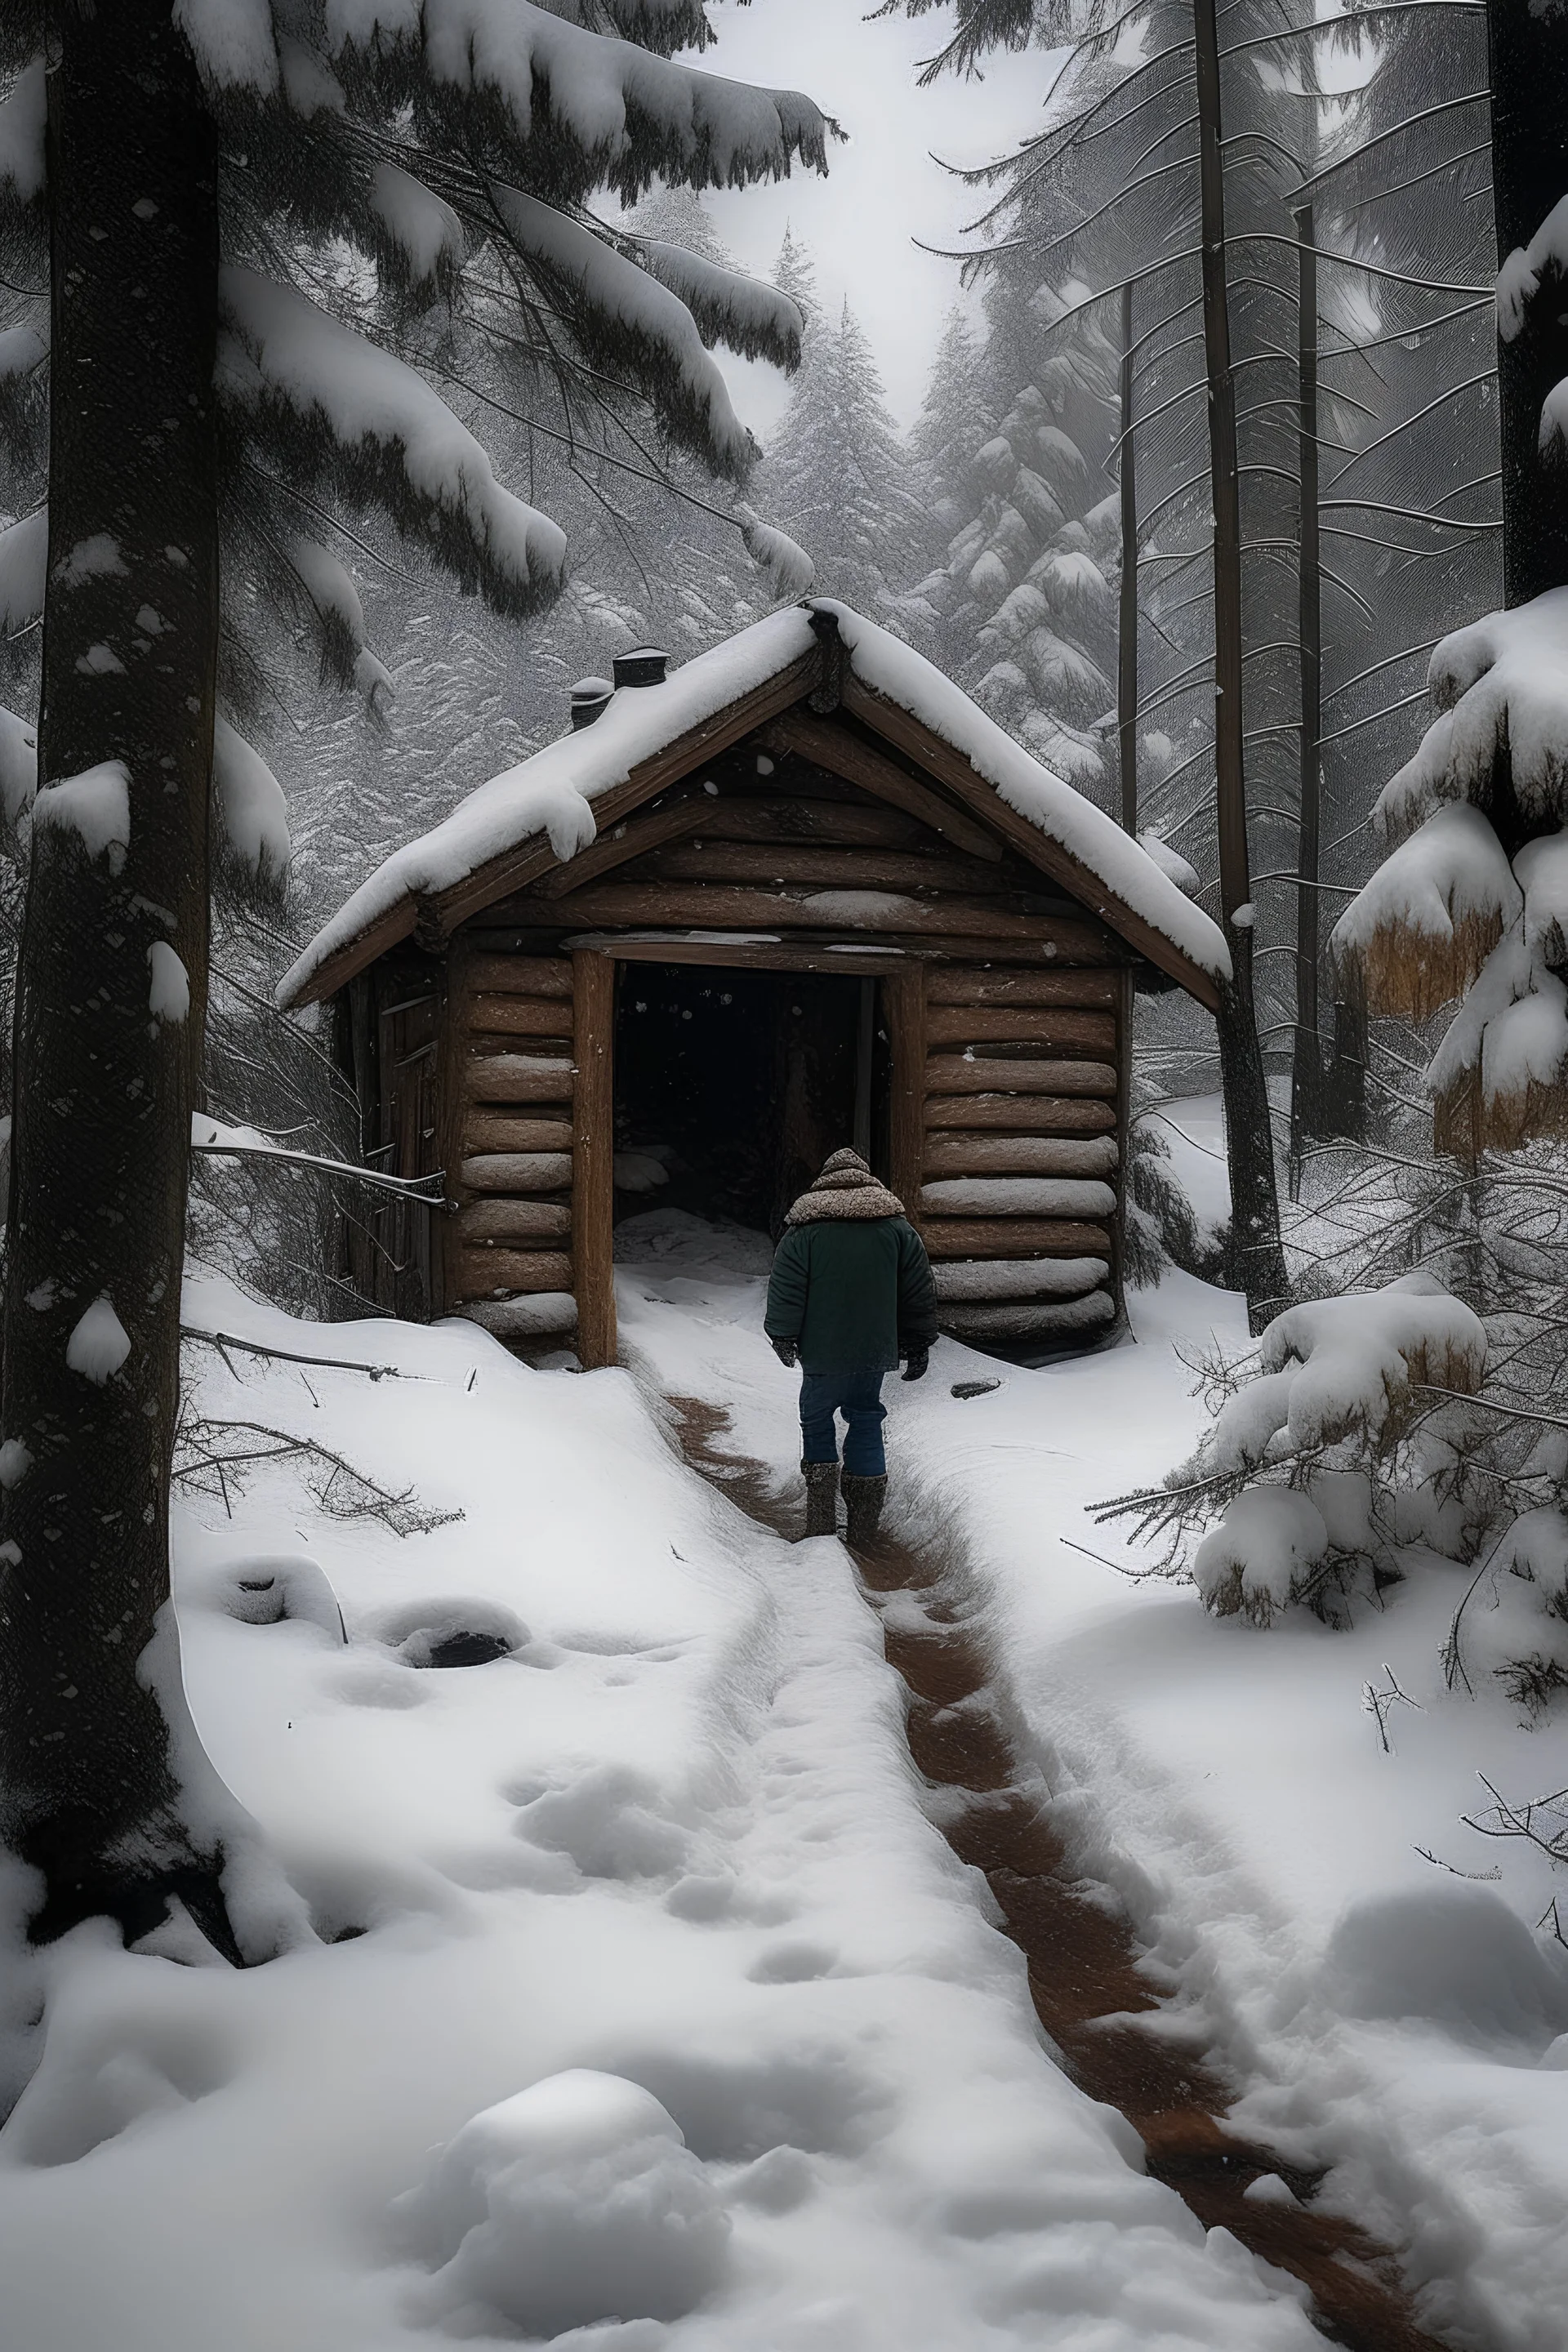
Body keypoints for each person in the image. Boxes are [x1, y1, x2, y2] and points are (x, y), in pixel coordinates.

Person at [764, 1147, 938, 1546]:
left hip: (822, 1352)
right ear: (867, 1181)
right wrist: (917, 1340)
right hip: (874, 1349)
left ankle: (821, 1520)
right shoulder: (897, 1230)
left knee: (816, 1417)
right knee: (865, 1416)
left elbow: (787, 1288)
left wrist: (783, 1335)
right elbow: (917, 1292)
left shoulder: (805, 1231)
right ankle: (863, 1526)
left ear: (825, 1182)